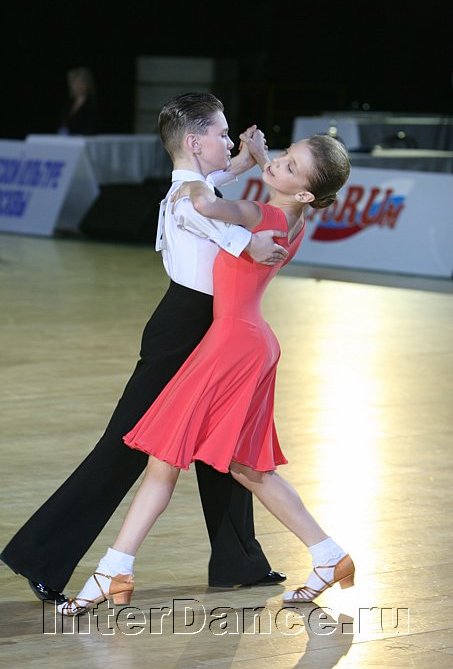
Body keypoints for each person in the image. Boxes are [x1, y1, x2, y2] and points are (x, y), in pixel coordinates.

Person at [0, 93, 289, 604]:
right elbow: (200, 211)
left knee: (221, 441)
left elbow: (211, 188)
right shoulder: (187, 195)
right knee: (126, 444)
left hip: (210, 323)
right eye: (222, 134)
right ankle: (40, 555)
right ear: (194, 142)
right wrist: (250, 244)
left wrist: (244, 161)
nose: (229, 140)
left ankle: (238, 561)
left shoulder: (194, 183)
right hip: (183, 328)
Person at [57, 130, 354, 616]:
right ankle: (328, 555)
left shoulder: (261, 214)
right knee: (246, 468)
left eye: (290, 165)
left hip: (231, 346)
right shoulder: (293, 218)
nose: (278, 162)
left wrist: (195, 168)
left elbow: (202, 204)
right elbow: (252, 197)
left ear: (304, 193)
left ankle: (114, 569)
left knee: (167, 458)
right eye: (285, 153)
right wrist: (257, 160)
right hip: (250, 342)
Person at [57, 66, 98, 136]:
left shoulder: (92, 104)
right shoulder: (67, 105)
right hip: (66, 139)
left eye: (81, 82)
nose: (78, 85)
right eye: (75, 82)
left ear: (88, 84)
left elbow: (91, 128)